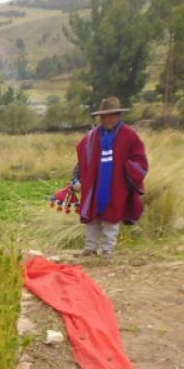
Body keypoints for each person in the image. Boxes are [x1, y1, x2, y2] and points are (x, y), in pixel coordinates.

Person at [73, 96, 148, 258]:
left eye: (111, 115)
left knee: (112, 217)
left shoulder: (129, 136)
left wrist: (127, 169)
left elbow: (140, 161)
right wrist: (76, 178)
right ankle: (90, 248)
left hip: (117, 185)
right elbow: (82, 160)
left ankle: (107, 250)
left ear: (119, 116)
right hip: (95, 184)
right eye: (104, 116)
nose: (107, 119)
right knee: (92, 217)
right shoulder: (92, 136)